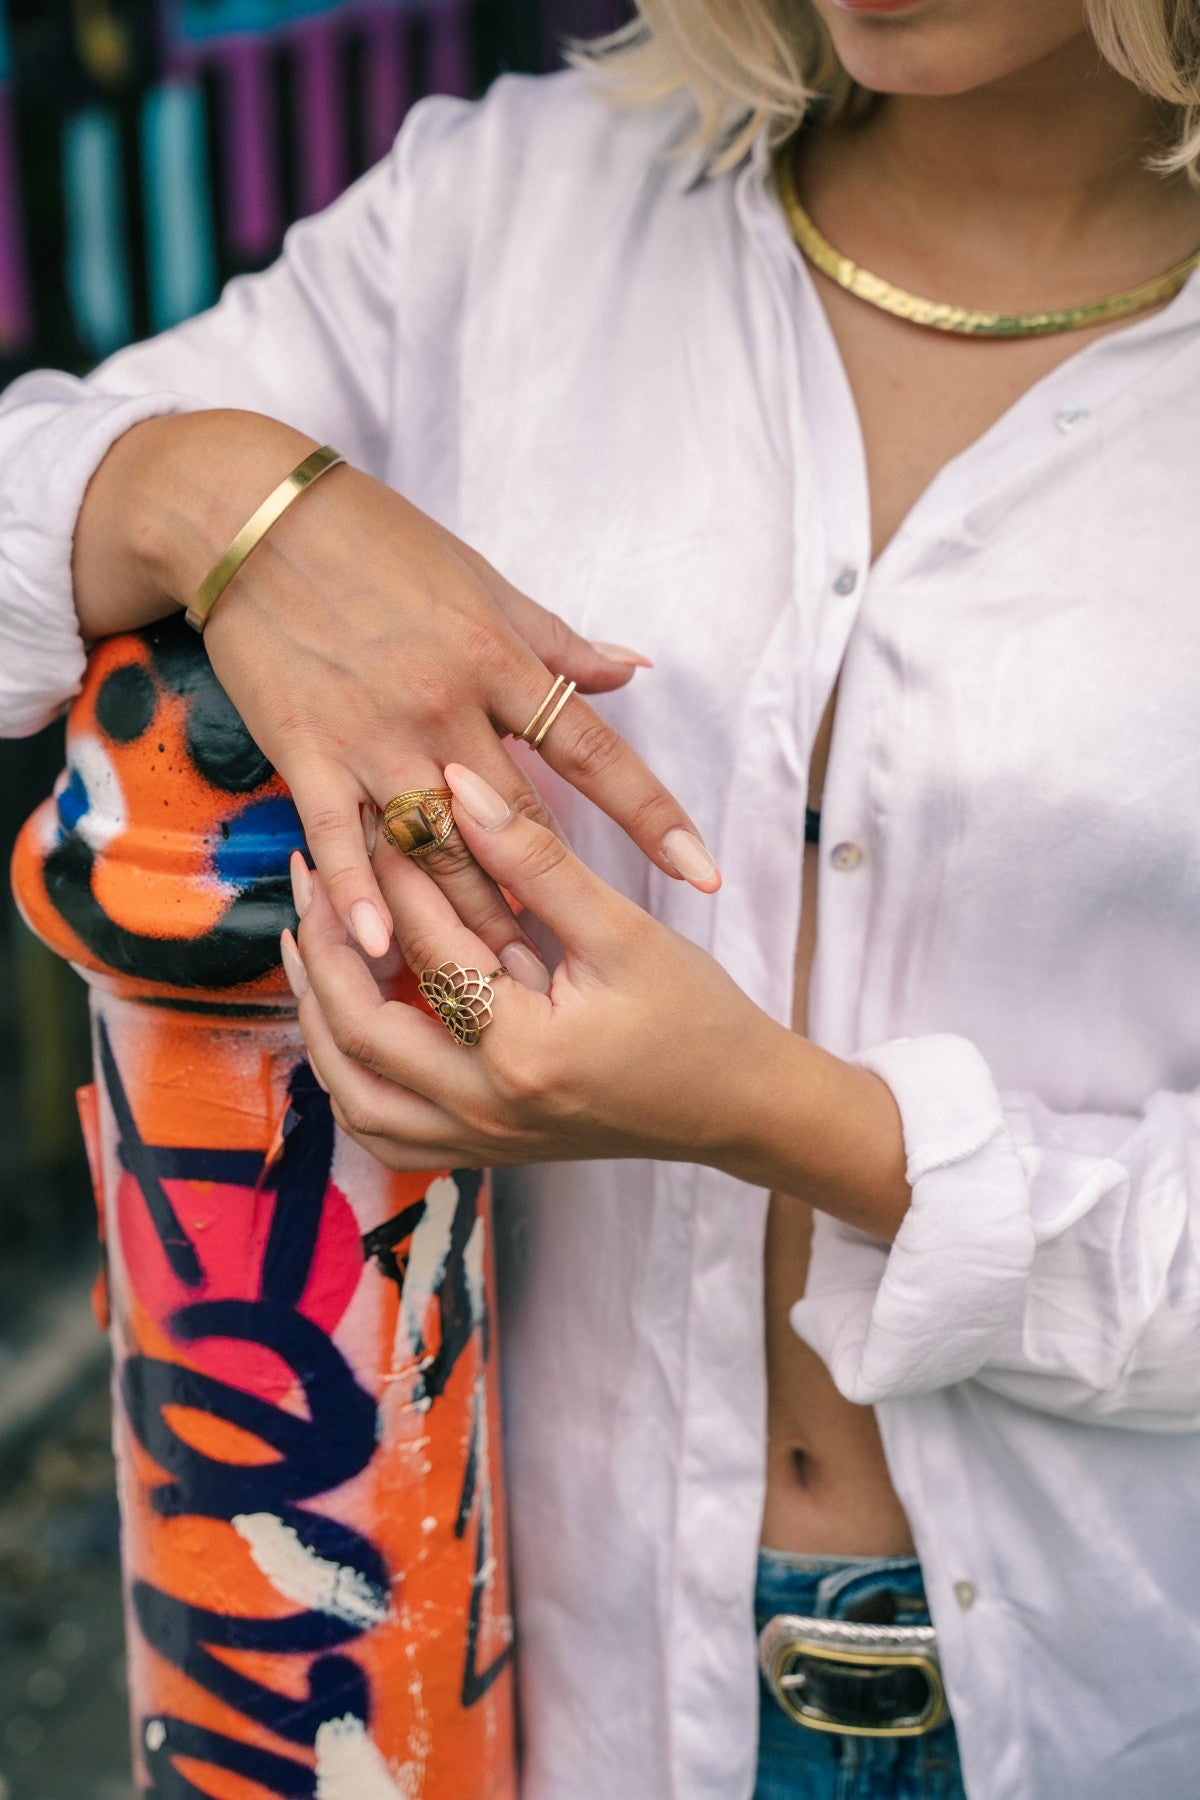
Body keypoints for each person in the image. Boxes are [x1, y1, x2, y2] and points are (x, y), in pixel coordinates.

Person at [3, 0, 1200, 1792]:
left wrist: (791, 1120)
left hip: (1099, 1692)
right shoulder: (521, 207)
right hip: (536, 1684)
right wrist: (218, 492)